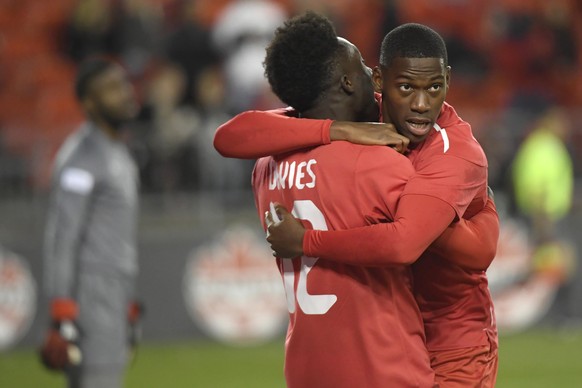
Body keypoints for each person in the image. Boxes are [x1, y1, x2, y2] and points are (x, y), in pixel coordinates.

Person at [215, 23, 499, 387]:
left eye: (434, 88)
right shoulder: (366, 124)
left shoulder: (452, 152)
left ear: (447, 81)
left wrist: (306, 241)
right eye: (405, 87)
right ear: (378, 82)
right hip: (394, 340)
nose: (420, 103)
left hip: (451, 341)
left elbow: (467, 251)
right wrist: (337, 130)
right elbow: (229, 135)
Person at [251, 12, 435, 387]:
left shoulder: (264, 166)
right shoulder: (379, 164)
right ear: (348, 83)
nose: (372, 76)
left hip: (305, 370)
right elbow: (450, 249)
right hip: (383, 368)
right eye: (365, 69)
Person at [40, 58, 142, 388]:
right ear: (89, 103)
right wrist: (62, 307)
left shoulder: (117, 151)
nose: (125, 94)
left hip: (113, 293)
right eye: (111, 89)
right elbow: (63, 235)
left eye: (123, 85)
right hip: (90, 296)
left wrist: (126, 299)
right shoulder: (81, 158)